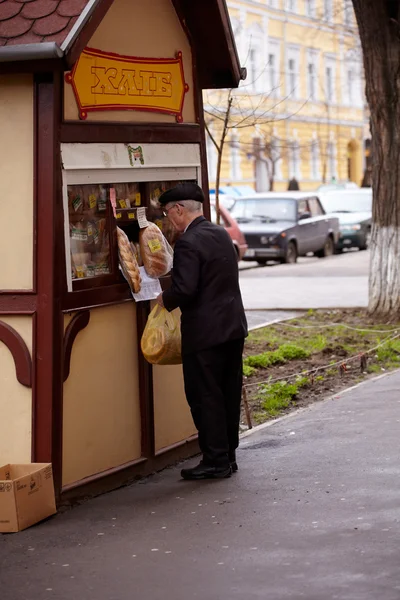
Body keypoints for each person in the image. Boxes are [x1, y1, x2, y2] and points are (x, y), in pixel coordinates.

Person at [156, 182, 248, 480]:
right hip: (232, 329)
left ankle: (215, 461)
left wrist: (163, 298)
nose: (169, 218)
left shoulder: (188, 242)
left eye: (169, 212)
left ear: (179, 210)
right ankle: (228, 455)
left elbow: (185, 289)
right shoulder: (220, 233)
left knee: (204, 395)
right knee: (227, 393)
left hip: (205, 334)